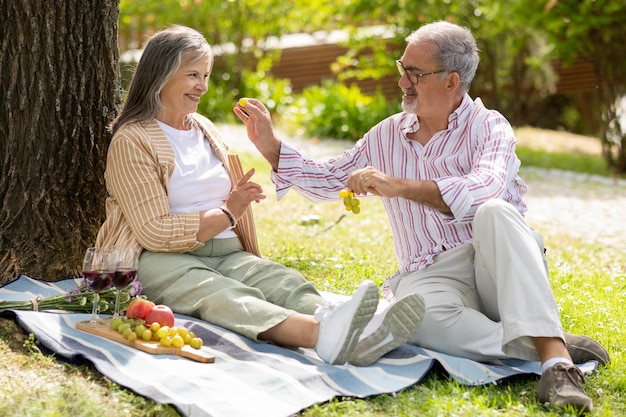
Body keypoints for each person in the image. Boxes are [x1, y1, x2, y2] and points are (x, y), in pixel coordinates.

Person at [234, 21, 610, 412]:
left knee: (496, 212)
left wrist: (398, 185)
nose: (402, 83)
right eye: (402, 69)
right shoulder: (386, 136)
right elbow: (330, 180)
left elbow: (486, 190)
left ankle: (557, 364)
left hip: (495, 265)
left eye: (414, 73)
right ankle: (542, 340)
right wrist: (270, 145)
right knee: (413, 320)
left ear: (451, 82)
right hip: (431, 275)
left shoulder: (490, 126)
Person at [94, 25, 426, 367]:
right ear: (160, 74)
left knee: (281, 281)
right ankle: (320, 336)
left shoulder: (204, 127)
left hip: (225, 248)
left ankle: (362, 331)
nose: (203, 86)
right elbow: (154, 231)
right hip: (159, 258)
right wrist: (228, 211)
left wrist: (238, 197)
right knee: (224, 296)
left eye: (206, 75)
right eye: (192, 74)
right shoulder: (132, 140)